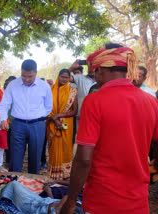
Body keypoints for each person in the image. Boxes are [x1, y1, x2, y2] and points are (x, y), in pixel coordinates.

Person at [60, 43, 158, 214]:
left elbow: (83, 159)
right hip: (139, 202)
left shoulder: (94, 101)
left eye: (94, 71)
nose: (94, 75)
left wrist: (71, 200)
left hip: (102, 200)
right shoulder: (151, 101)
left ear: (102, 70)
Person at [0, 59, 53, 174]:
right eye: (24, 76)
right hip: (18, 125)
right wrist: (3, 119)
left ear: (36, 73)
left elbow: (49, 107)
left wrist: (37, 117)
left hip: (37, 126)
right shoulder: (13, 85)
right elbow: (4, 104)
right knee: (15, 159)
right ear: (21, 72)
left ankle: (33, 187)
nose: (27, 79)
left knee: (35, 158)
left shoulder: (44, 87)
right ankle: (13, 184)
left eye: (30, 76)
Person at [46, 69, 78, 180]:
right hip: (52, 123)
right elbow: (45, 108)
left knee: (66, 148)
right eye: (62, 76)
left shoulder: (72, 91)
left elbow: (74, 111)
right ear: (58, 76)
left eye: (66, 77)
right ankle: (53, 174)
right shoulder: (50, 90)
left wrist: (58, 116)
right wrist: (54, 119)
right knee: (53, 149)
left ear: (69, 78)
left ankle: (65, 174)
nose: (64, 79)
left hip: (66, 125)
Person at [68, 61, 96, 128]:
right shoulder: (80, 78)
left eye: (93, 67)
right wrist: (72, 67)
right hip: (81, 118)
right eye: (89, 67)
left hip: (97, 118)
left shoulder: (102, 81)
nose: (91, 69)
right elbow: (66, 77)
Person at [3, 76, 17, 165]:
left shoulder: (19, 95)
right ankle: (8, 161)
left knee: (15, 143)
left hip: (16, 123)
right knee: (7, 142)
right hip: (7, 123)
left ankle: (15, 160)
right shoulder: (3, 94)